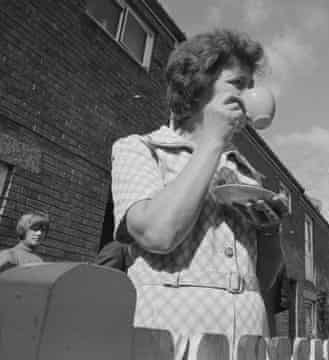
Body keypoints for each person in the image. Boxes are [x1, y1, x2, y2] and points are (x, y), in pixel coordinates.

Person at [111, 29, 288, 360]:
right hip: (171, 340)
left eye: (252, 87)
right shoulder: (141, 149)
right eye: (238, 84)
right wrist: (212, 140)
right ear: (196, 85)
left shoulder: (244, 171)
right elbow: (157, 234)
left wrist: (270, 228)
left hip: (248, 340)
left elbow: (261, 279)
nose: (249, 95)